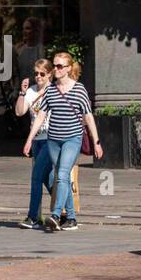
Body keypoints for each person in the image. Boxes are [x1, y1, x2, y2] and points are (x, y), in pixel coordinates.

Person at [24, 52, 102, 232]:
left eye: (60, 66)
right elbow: (41, 116)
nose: (56, 69)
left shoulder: (79, 89)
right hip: (53, 140)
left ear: (68, 69)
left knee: (62, 174)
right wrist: (29, 139)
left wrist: (96, 141)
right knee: (62, 177)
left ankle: (56, 215)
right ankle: (72, 218)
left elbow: (88, 117)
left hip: (72, 139)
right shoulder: (50, 90)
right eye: (55, 66)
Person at [15, 59, 54, 229]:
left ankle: (33, 217)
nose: (38, 76)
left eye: (42, 73)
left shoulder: (54, 91)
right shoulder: (31, 91)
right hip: (36, 139)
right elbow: (19, 112)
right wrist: (22, 93)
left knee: (37, 177)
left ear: (49, 74)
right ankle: (67, 210)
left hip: (51, 139)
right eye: (36, 73)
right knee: (47, 178)